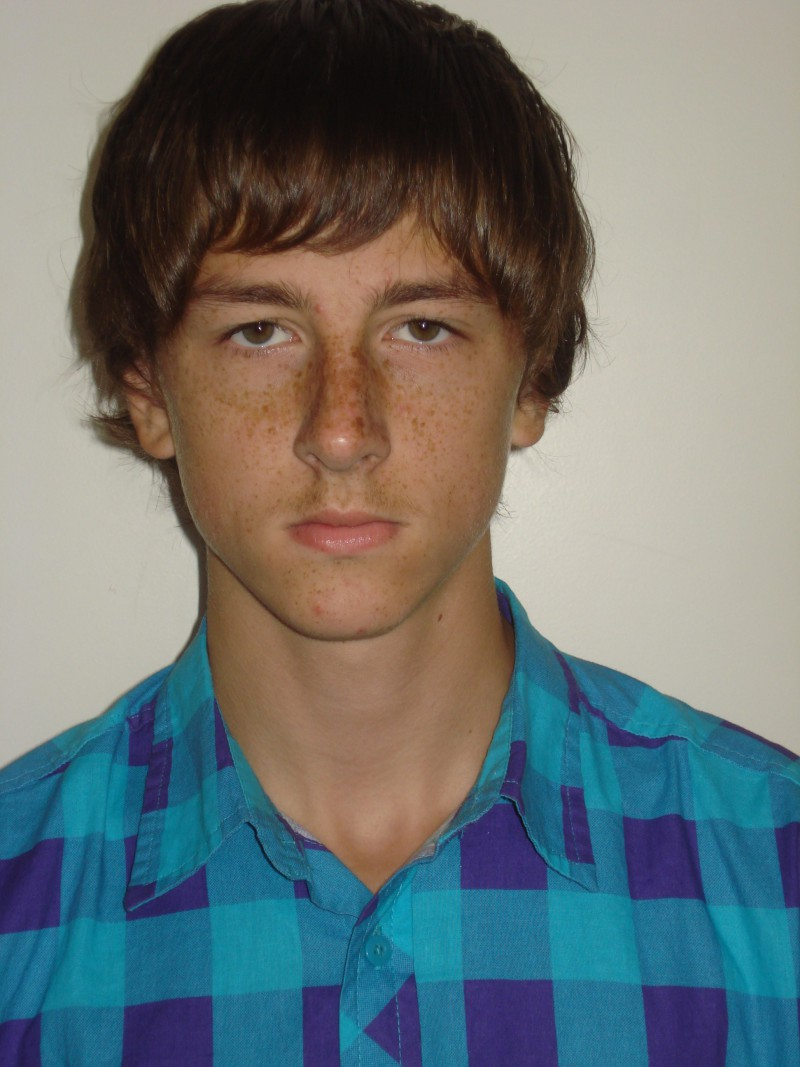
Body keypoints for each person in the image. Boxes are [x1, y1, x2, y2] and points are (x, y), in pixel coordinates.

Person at [0, 0, 797, 1063]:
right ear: (147, 391)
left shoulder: (776, 877)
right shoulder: (17, 908)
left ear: (531, 379)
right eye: (259, 330)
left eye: (422, 327)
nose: (341, 430)